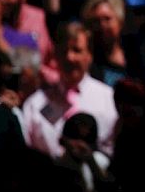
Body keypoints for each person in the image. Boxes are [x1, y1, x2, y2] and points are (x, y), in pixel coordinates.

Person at [22, 22, 119, 158]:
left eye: (77, 50)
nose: (69, 57)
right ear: (55, 55)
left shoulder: (109, 100)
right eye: (63, 51)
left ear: (89, 55)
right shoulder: (35, 104)